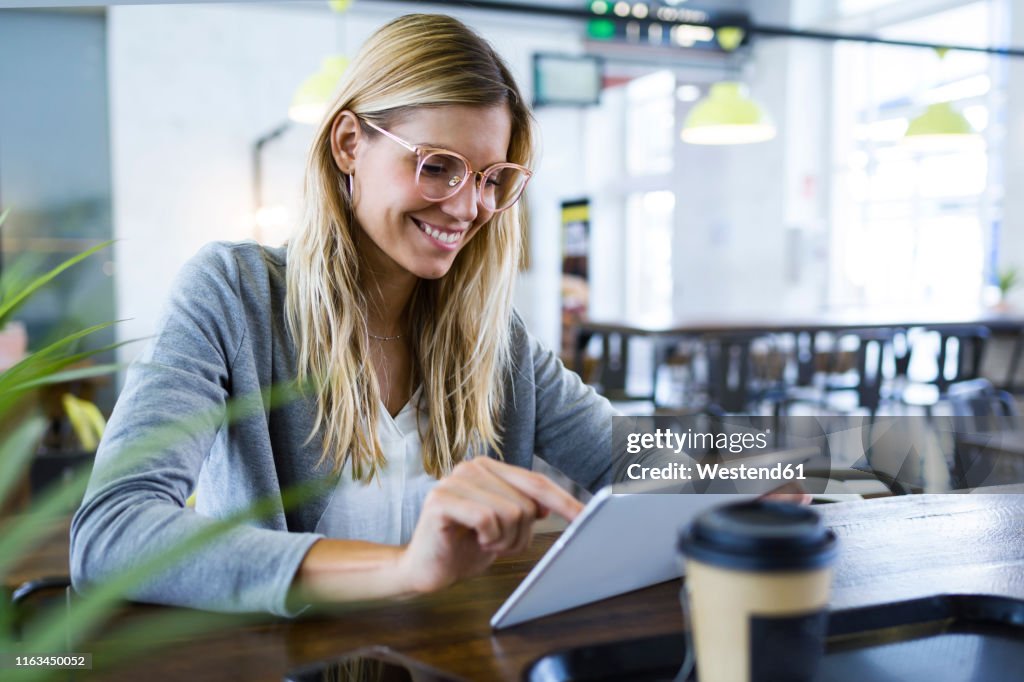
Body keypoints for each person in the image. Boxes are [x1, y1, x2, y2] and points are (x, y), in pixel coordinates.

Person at [70, 14, 614, 617]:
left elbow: (637, 456)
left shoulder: (496, 340)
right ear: (350, 143)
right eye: (437, 166)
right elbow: (111, 534)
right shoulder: (235, 295)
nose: (468, 207)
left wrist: (725, 453)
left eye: (491, 178)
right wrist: (406, 570)